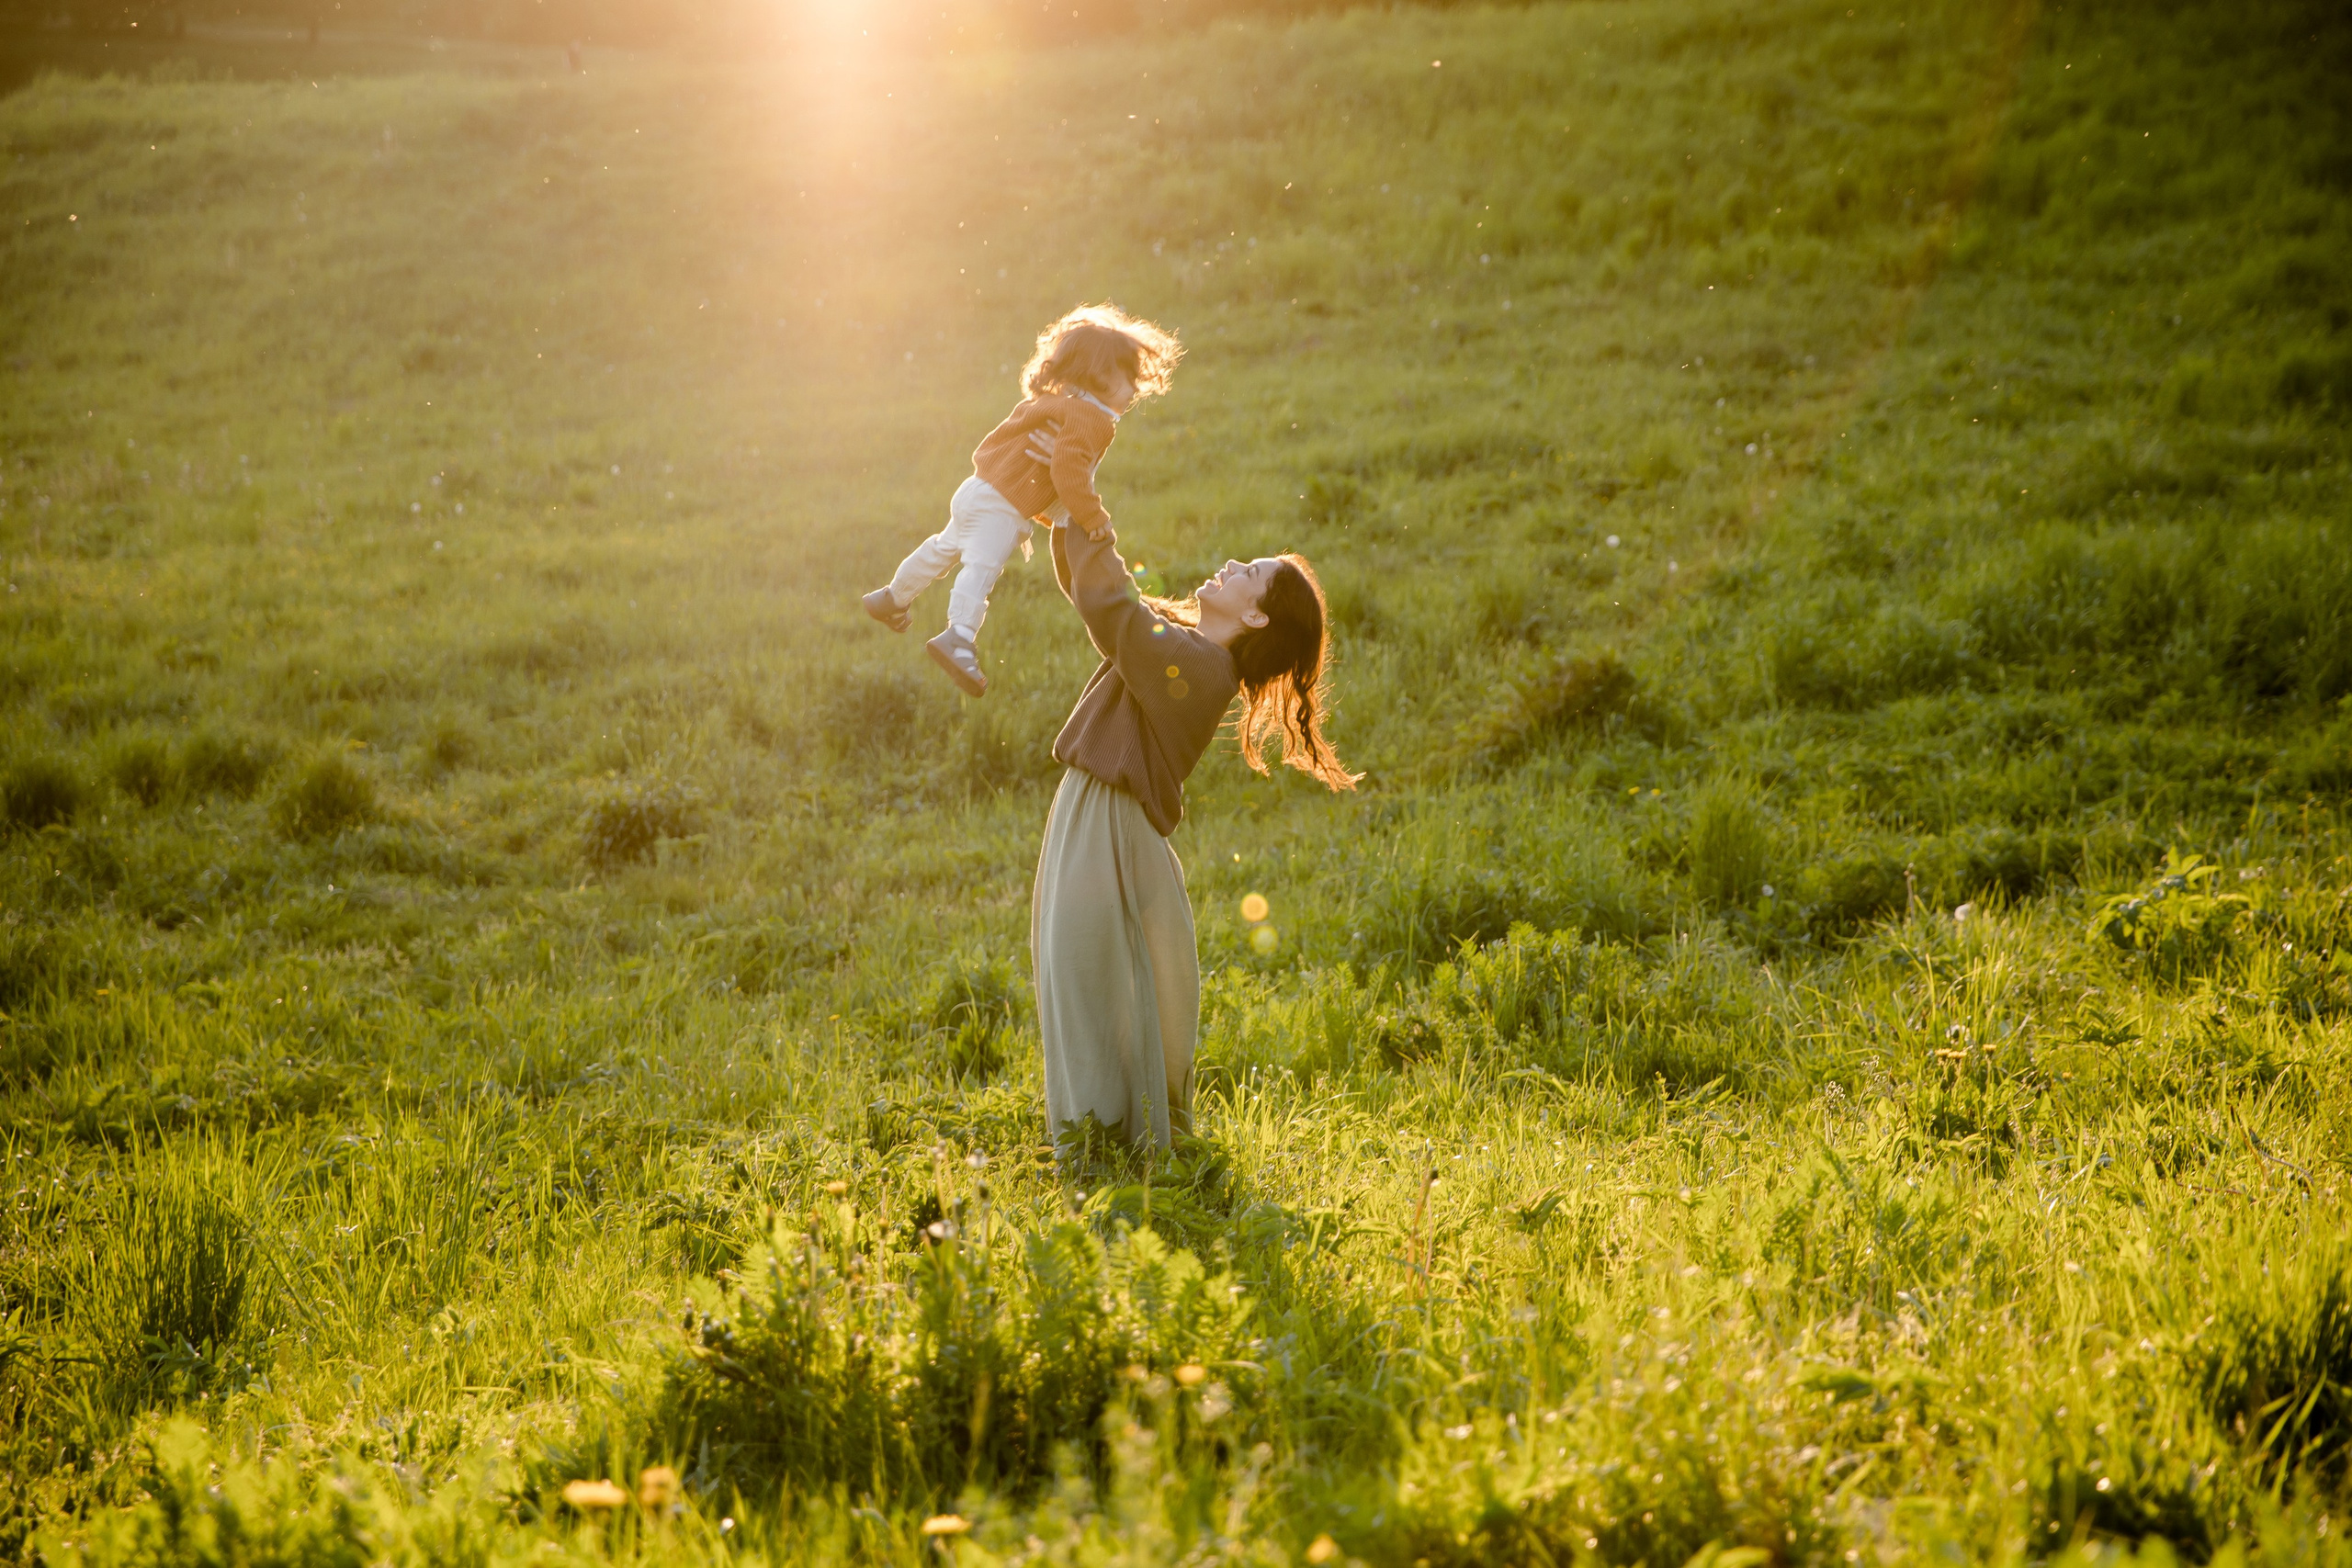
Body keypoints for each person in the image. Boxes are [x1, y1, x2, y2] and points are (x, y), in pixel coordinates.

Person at [1031, 476, 1358, 1154]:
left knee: (1091, 992)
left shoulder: (1204, 669)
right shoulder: (1183, 640)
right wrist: (1065, 512)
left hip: (1110, 833)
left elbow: (1114, 610)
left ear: (1259, 617)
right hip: (1091, 819)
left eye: (1253, 572)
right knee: (1080, 986)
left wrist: (1082, 509)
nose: (1235, 564)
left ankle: (1105, 1162)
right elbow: (1098, 597)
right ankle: (1100, 1156)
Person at [861, 304, 1182, 698]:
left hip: (975, 489)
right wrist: (1093, 517)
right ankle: (959, 636)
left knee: (943, 548)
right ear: (1102, 376)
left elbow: (1037, 468)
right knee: (982, 566)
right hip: (1001, 508)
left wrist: (1052, 509)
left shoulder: (1048, 403)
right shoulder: (1091, 418)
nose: (1134, 390)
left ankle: (893, 597)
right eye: (1129, 378)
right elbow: (1068, 471)